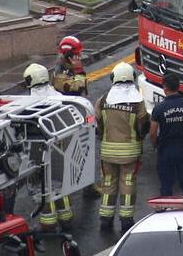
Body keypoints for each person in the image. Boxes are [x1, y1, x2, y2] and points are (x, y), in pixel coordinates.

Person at [26, 63, 86, 227]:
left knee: (43, 185)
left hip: (39, 148)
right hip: (61, 146)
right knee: (59, 182)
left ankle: (48, 220)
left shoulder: (30, 101)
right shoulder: (58, 96)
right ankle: (66, 216)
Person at [96, 62, 148, 235]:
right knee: (127, 184)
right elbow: (143, 126)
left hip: (108, 152)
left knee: (108, 183)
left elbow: (98, 124)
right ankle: (126, 220)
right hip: (130, 152)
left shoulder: (104, 100)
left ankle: (105, 219)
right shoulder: (137, 102)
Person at [147, 73, 183, 197]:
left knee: (166, 185)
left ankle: (167, 209)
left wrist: (156, 146)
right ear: (178, 87)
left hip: (166, 150)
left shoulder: (159, 108)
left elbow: (153, 132)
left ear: (165, 88)